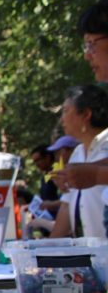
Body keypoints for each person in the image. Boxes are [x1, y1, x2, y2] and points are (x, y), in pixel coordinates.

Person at [49, 85, 108, 238]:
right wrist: (44, 252)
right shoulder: (77, 153)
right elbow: (67, 205)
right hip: (92, 256)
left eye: (66, 111)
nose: (62, 119)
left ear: (86, 114)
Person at [29, 143, 61, 216]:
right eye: (35, 162)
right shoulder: (45, 176)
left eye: (38, 160)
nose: (37, 164)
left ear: (48, 157)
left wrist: (51, 205)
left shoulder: (58, 172)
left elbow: (68, 199)